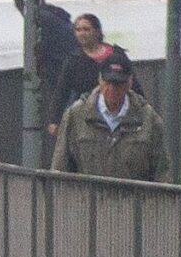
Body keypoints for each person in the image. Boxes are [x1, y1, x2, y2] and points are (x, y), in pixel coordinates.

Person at [52, 50, 161, 180]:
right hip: (86, 199)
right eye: (107, 82)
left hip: (134, 199)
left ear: (129, 83)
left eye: (118, 83)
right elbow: (59, 168)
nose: (112, 88)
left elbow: (162, 172)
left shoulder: (149, 119)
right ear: (99, 80)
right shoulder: (75, 115)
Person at [48, 11, 137, 137]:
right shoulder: (74, 60)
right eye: (78, 30)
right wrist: (54, 120)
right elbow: (62, 92)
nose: (81, 33)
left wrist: (141, 113)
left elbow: (134, 86)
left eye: (86, 29)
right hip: (85, 117)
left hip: (117, 114)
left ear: (97, 31)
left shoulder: (116, 55)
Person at [17, 0, 76, 116]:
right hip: (71, 66)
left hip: (60, 70)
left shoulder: (40, 19)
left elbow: (37, 49)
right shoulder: (55, 14)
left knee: (67, 113)